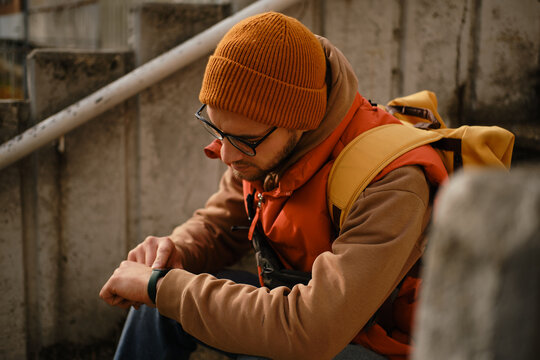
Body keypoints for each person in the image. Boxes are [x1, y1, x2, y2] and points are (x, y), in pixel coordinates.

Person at [99, 11, 448, 360]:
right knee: (158, 300)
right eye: (218, 131)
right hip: (304, 322)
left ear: (301, 121)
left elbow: (312, 331)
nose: (226, 155)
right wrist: (173, 254)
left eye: (245, 140)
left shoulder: (393, 183)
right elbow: (217, 224)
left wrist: (164, 288)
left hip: (379, 346)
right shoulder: (268, 150)